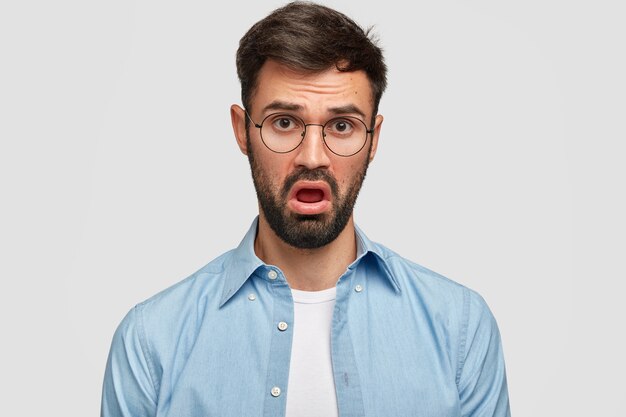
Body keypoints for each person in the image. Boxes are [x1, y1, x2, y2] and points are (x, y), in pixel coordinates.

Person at [101, 2, 511, 416]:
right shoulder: (151, 339)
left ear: (374, 139)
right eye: (284, 122)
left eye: (342, 125)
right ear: (243, 131)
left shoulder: (459, 327)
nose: (312, 157)